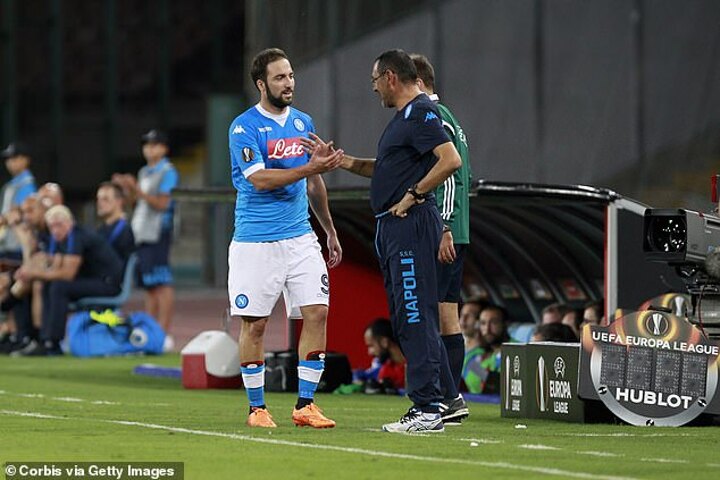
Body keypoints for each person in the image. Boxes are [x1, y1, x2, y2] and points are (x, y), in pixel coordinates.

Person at [306, 49, 461, 433]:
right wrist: (342, 162)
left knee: (415, 314)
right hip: (392, 228)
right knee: (408, 317)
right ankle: (432, 403)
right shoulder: (403, 119)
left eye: (375, 80)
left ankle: (428, 409)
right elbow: (387, 168)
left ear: (391, 77)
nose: (374, 89)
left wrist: (414, 194)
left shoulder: (421, 112)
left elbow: (450, 159)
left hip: (409, 226)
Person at [228, 48, 344, 429]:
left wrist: (329, 229)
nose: (289, 83)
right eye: (279, 77)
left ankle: (305, 405)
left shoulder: (302, 123)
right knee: (256, 324)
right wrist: (309, 168)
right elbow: (259, 179)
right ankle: (257, 409)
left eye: (291, 75)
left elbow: (314, 182)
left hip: (300, 237)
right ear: (261, 84)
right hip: (256, 240)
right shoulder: (243, 127)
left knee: (318, 312)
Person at [412, 53, 472, 423]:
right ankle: (451, 397)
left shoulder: (433, 116)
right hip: (456, 229)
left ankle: (445, 397)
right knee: (448, 314)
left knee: (432, 315)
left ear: (417, 82)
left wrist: (444, 226)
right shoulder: (450, 116)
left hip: (443, 231)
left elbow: (449, 174)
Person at [14, 205, 123, 356]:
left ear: (69, 222)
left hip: (108, 283)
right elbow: (53, 267)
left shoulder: (77, 236)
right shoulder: (62, 238)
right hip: (93, 280)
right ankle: (42, 338)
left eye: (59, 225)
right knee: (48, 284)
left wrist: (33, 273)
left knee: (59, 287)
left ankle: (53, 342)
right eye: (52, 226)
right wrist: (32, 270)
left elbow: (67, 274)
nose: (55, 230)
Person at [113, 130, 178, 351]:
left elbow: (162, 204)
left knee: (161, 283)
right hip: (142, 232)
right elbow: (137, 202)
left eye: (154, 145)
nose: (149, 149)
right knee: (149, 285)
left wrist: (137, 190)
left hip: (158, 233)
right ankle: (151, 330)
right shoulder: (144, 171)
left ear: (164, 148)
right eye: (146, 145)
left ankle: (163, 331)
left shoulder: (167, 172)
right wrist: (128, 188)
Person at [0, 142, 37, 266]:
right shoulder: (12, 184)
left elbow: (17, 214)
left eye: (15, 158)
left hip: (18, 244)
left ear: (25, 160)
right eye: (8, 159)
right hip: (7, 242)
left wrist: (4, 219)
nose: (10, 162)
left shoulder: (27, 184)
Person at [462, 304, 510, 394]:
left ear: (505, 324)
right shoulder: (484, 354)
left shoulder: (516, 349)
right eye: (483, 323)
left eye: (494, 323)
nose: (487, 329)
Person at [96, 181, 135, 266]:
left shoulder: (127, 229)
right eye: (98, 199)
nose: (99, 203)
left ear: (119, 201)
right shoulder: (100, 230)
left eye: (105, 199)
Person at [362, 318, 405, 394]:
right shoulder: (385, 371)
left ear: (384, 342)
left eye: (371, 346)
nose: (369, 352)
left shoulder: (419, 364)